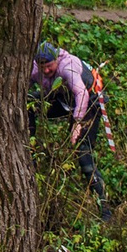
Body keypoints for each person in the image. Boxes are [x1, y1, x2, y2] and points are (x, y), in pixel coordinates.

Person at [29, 41, 110, 220]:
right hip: (63, 99)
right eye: (42, 67)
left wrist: (77, 123)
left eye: (49, 66)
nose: (46, 71)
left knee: (83, 152)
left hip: (89, 102)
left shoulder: (67, 66)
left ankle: (104, 208)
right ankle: (29, 148)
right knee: (29, 101)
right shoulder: (34, 69)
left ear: (56, 60)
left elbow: (81, 93)